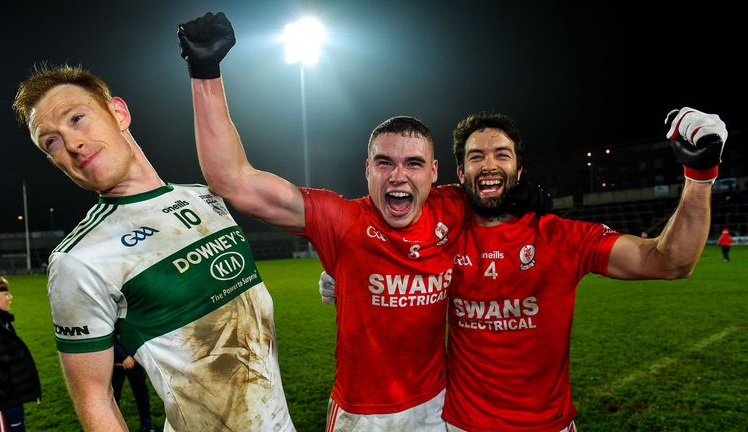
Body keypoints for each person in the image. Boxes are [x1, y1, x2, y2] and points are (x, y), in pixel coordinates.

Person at [178, 12, 549, 431]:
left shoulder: (453, 206)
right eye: (384, 163)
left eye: (413, 163)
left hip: (438, 407)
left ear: (434, 173)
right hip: (361, 416)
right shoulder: (341, 219)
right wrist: (205, 71)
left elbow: (493, 186)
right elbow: (233, 180)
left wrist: (524, 199)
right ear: (367, 170)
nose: (398, 176)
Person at [12, 64, 294, 431]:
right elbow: (95, 400)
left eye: (77, 119)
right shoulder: (78, 259)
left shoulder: (205, 198)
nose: (71, 144)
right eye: (51, 141)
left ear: (119, 112)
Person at [442, 108, 727, 432]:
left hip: (547, 426)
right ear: (461, 173)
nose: (489, 165)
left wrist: (700, 176)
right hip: (463, 425)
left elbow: (671, 261)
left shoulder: (561, 237)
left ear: (519, 170)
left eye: (501, 155)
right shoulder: (441, 235)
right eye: (476, 156)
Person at [0, 275, 41, 432]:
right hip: (1, 400)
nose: (10, 297)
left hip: (10, 398)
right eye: (6, 294)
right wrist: (6, 382)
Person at [112, 338, 156, 432]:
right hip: (113, 362)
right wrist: (123, 356)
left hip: (135, 358)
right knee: (112, 397)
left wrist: (132, 355)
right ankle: (113, 426)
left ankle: (147, 425)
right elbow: (109, 335)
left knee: (141, 393)